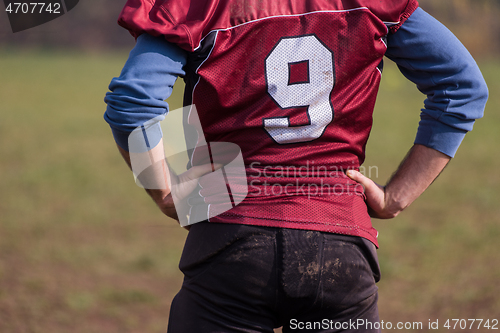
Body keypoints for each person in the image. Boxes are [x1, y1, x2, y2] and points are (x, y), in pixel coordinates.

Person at [104, 0, 488, 332]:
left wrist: (167, 194)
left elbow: (133, 103)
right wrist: (395, 198)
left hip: (229, 230)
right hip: (341, 235)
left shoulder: (196, 5)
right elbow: (462, 85)